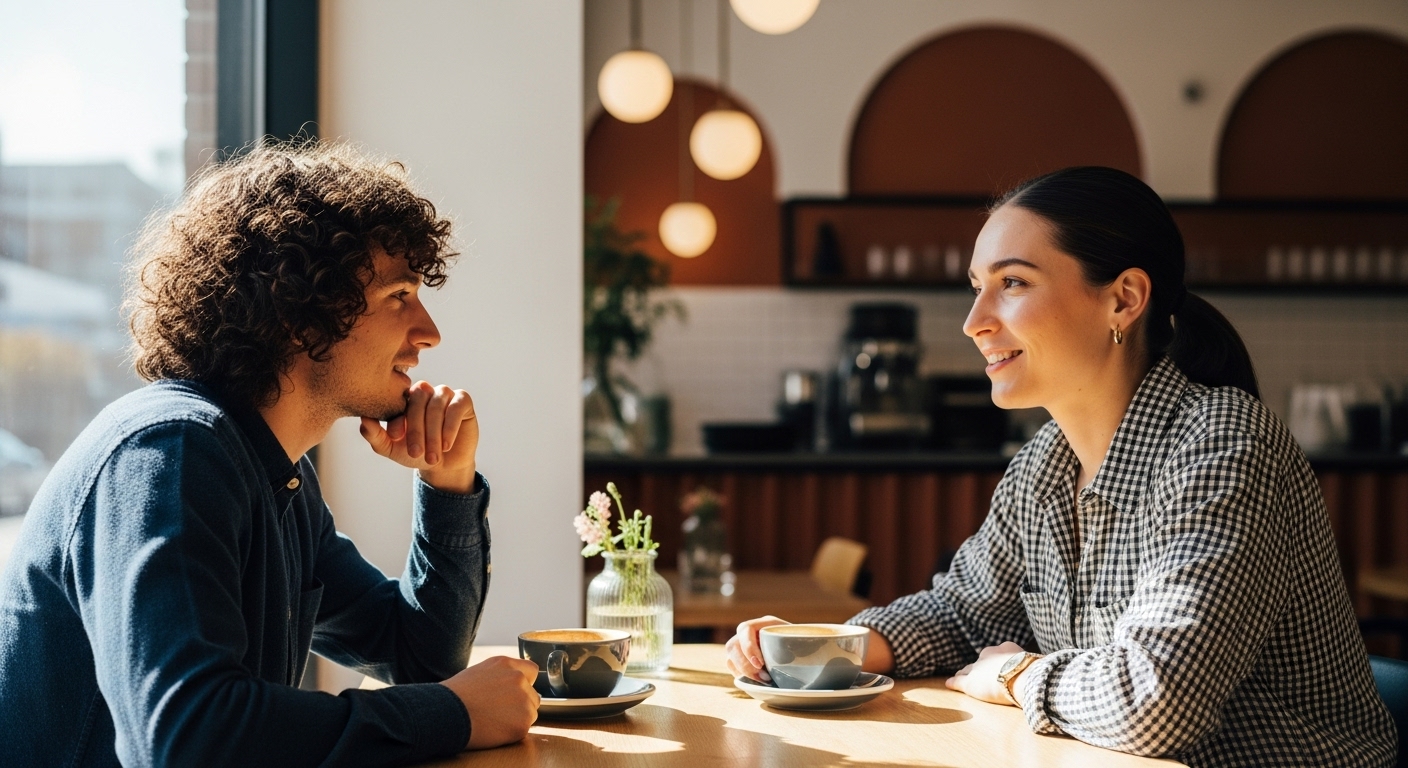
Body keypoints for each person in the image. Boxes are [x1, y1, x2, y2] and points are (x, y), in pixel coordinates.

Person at [727, 167, 1396, 767]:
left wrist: (1017, 676)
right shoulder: (1044, 464)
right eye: (977, 288)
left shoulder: (1223, 443)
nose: (973, 322)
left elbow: (1158, 700)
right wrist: (825, 646)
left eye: (1013, 283)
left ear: (1124, 299)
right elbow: (964, 614)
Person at [0, 143, 541, 766]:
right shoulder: (172, 454)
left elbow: (419, 656)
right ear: (299, 310)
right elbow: (186, 739)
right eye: (399, 296)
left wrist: (448, 482)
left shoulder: (272, 474)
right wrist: (452, 713)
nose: (429, 333)